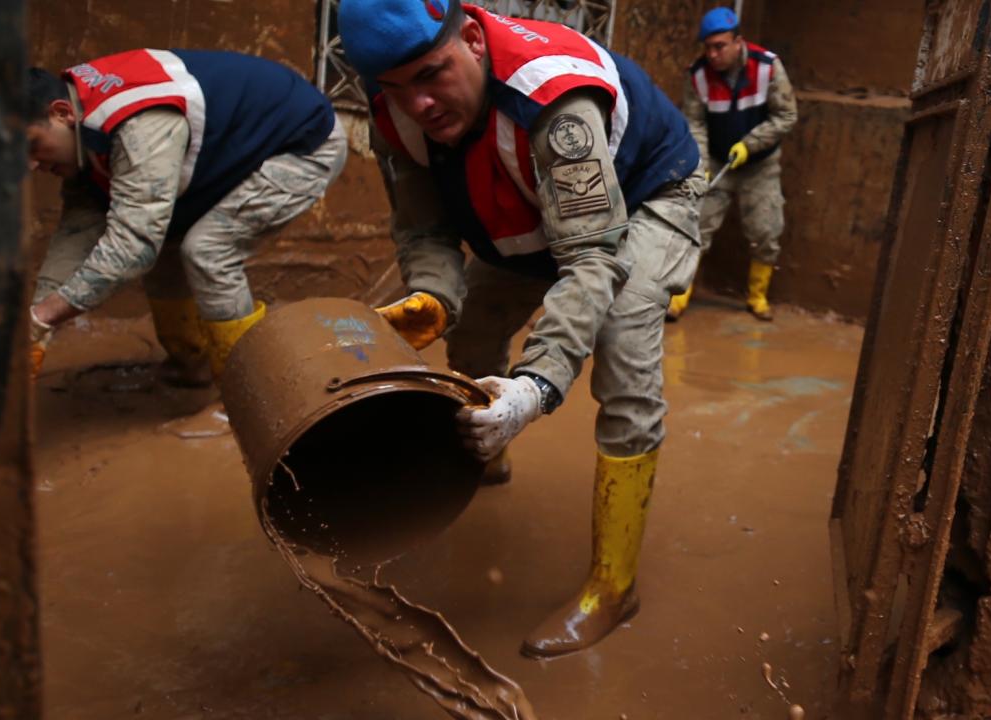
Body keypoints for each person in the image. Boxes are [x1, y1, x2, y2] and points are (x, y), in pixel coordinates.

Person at [338, 0, 704, 657]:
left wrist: (533, 388)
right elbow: (424, 231)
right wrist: (429, 300)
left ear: (473, 39)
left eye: (431, 75)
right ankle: (488, 455)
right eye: (395, 89)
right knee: (472, 331)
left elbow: (592, 258)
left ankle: (613, 586)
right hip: (537, 215)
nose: (417, 105)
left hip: (646, 197)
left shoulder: (554, 99)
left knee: (621, 347)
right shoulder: (393, 108)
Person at [26, 49, 347, 395]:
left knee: (209, 251)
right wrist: (34, 329)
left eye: (31, 146)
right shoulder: (73, 116)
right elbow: (79, 225)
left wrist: (46, 315)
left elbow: (133, 247)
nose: (29, 167)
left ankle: (249, 394)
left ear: (61, 114)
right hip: (222, 153)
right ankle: (192, 371)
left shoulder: (137, 124)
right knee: (166, 247)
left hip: (301, 144)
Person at [670, 7, 798, 322]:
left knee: (766, 231)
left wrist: (750, 145)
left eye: (720, 46)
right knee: (697, 228)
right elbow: (694, 124)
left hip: (760, 165)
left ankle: (757, 296)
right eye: (708, 47)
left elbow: (786, 116)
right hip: (717, 162)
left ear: (738, 41)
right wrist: (700, 163)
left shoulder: (768, 67)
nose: (713, 54)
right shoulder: (698, 75)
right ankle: (679, 296)